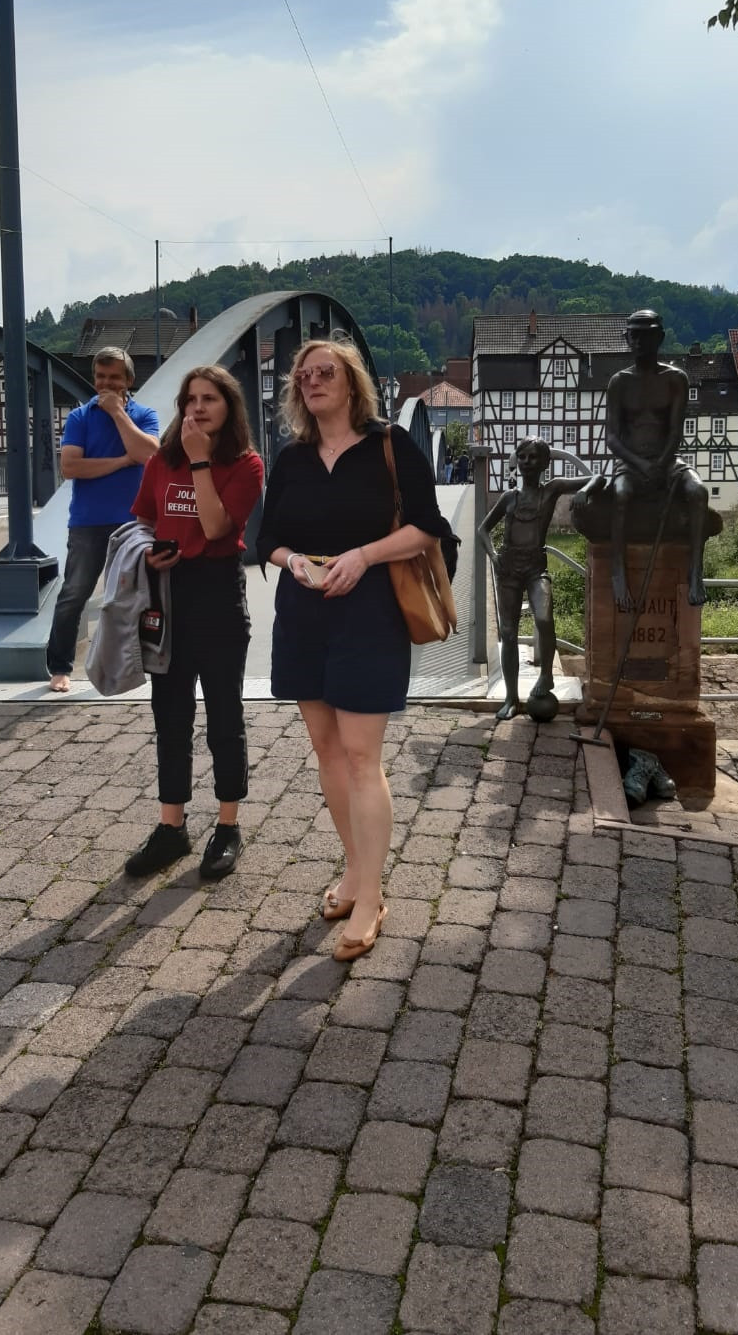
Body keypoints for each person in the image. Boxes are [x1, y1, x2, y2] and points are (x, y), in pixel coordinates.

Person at [257, 336, 448, 961]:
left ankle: (370, 897)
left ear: (350, 382)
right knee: (327, 749)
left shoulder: (390, 445)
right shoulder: (291, 458)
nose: (313, 382)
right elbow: (267, 539)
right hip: (305, 612)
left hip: (370, 612)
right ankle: (353, 871)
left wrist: (363, 557)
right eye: (303, 375)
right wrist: (296, 564)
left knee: (362, 754)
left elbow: (430, 527)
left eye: (325, 372)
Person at [124, 365, 264, 882]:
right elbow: (142, 518)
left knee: (224, 714)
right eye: (190, 399)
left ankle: (227, 826)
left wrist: (202, 461)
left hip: (218, 592)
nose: (198, 408)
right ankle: (171, 827)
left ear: (230, 407)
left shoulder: (246, 465)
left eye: (210, 399)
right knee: (170, 714)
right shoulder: (161, 462)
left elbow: (216, 526)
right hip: (168, 594)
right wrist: (147, 552)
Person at [46, 347, 159, 693]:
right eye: (100, 377)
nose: (105, 383)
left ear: (128, 380)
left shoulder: (144, 415)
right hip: (88, 522)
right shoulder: (79, 417)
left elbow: (150, 455)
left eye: (113, 377)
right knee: (74, 593)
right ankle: (59, 668)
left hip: (134, 523)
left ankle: (140, 664)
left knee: (137, 597)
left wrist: (117, 415)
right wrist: (124, 461)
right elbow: (71, 467)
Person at [477, 438, 591, 720]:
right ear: (518, 460)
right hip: (508, 568)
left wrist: (585, 491)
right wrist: (493, 557)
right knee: (508, 633)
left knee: (543, 617)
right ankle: (511, 698)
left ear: (544, 463)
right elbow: (483, 529)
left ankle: (546, 676)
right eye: (523, 457)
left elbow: (598, 477)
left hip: (535, 567)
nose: (527, 462)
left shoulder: (552, 490)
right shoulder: (509, 498)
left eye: (533, 457)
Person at [604, 309, 708, 611]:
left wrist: (660, 465)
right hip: (630, 464)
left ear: (659, 337)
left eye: (646, 334)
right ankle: (618, 571)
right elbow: (612, 439)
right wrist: (641, 465)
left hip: (668, 462)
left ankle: (695, 571)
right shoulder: (619, 382)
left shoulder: (676, 379)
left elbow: (676, 430)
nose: (638, 341)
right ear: (626, 338)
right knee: (621, 495)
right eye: (633, 335)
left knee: (698, 492)